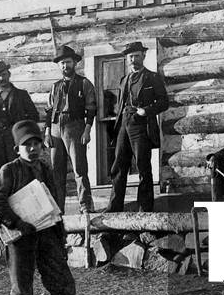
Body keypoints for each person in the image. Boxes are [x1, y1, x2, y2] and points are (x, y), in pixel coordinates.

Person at [0, 120, 88, 295]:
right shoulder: (9, 171)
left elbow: (53, 204)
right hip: (21, 238)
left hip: (47, 235)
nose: (33, 149)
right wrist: (17, 222)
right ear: (17, 149)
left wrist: (60, 237)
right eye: (27, 145)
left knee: (63, 285)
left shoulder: (45, 169)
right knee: (22, 290)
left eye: (36, 144)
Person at [106, 41, 168, 213]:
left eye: (137, 56)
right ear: (127, 59)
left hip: (141, 124)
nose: (134, 59)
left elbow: (164, 102)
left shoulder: (152, 77)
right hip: (124, 125)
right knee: (118, 166)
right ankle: (114, 207)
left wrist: (146, 110)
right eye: (131, 56)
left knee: (143, 166)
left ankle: (145, 208)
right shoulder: (123, 80)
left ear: (144, 56)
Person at [43, 45, 97, 214]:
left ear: (74, 63)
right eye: (62, 63)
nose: (65, 66)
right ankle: (59, 209)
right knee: (57, 172)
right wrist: (47, 132)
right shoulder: (55, 86)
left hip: (74, 126)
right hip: (55, 127)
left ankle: (85, 206)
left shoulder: (84, 83)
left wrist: (87, 130)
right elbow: (49, 110)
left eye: (67, 62)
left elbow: (91, 109)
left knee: (79, 169)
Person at [0, 60, 39, 177]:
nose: (1, 78)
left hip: (16, 141)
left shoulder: (21, 95)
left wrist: (23, 133)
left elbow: (34, 116)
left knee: (19, 172)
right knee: (1, 173)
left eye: (3, 74)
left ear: (9, 74)